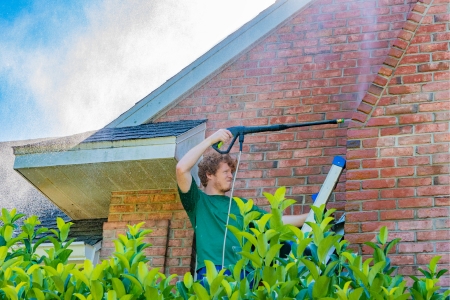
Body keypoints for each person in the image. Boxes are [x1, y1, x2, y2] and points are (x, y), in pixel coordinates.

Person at [176, 129, 308, 279]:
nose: (230, 176)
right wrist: (211, 140)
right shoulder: (197, 202)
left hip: (244, 274)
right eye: (225, 172)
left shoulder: (241, 205)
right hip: (211, 272)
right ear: (209, 174)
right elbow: (181, 168)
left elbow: (275, 221)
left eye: (231, 172)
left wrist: (310, 217)